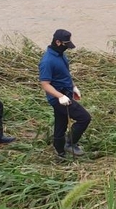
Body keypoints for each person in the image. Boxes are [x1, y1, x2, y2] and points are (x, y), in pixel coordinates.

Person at [38, 28, 92, 158]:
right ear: (57, 42)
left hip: (66, 93)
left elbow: (65, 75)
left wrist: (74, 87)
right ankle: (70, 143)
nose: (67, 47)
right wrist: (60, 96)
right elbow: (45, 84)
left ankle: (59, 151)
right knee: (84, 118)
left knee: (60, 123)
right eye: (65, 44)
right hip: (58, 98)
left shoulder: (61, 55)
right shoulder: (47, 61)